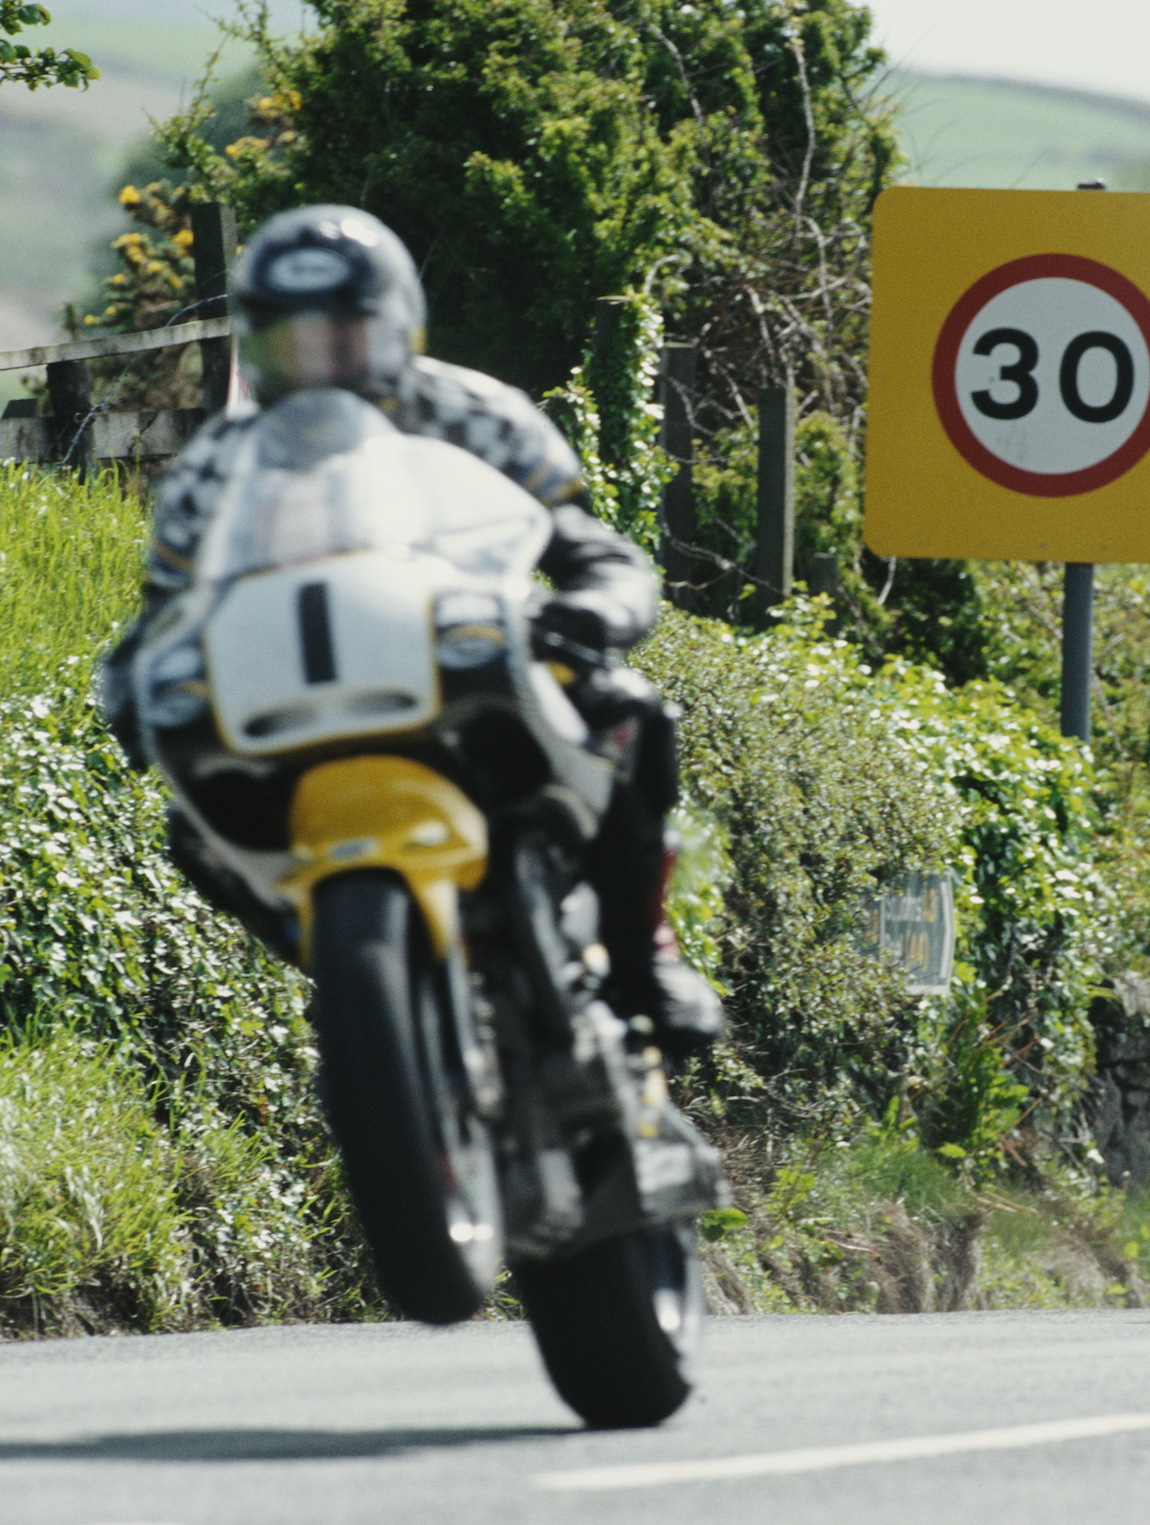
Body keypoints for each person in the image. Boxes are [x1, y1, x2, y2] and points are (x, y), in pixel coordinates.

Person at [97, 204, 724, 1058]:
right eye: (292, 343)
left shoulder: (473, 410)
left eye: (343, 339)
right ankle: (346, 961)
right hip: (298, 684)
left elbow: (590, 545)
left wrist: (600, 606)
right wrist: (133, 688)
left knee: (632, 713)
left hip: (463, 655)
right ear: (254, 345)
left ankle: (644, 956)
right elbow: (164, 607)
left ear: (396, 330)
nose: (319, 364)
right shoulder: (218, 462)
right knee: (188, 827)